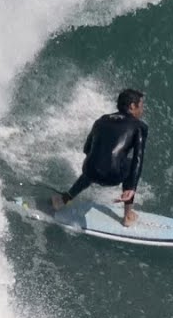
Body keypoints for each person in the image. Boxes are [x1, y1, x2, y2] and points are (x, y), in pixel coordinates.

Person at [52, 88, 149, 227]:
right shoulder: (140, 126)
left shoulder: (101, 120)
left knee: (95, 162)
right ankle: (128, 215)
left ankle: (63, 199)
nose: (142, 110)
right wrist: (131, 188)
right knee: (129, 162)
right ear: (132, 106)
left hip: (89, 171)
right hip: (113, 176)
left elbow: (87, 148)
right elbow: (138, 158)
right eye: (141, 105)